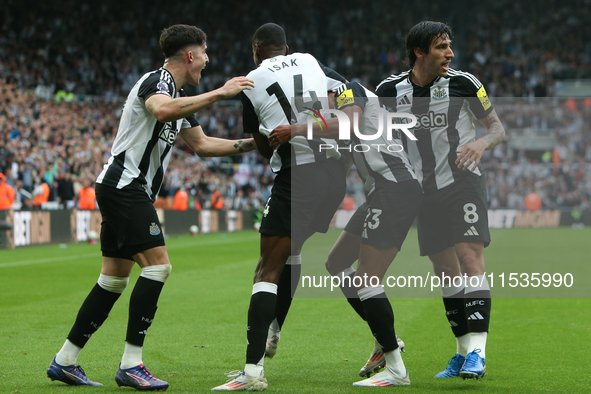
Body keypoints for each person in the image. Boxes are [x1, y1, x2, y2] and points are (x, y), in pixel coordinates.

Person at [47, 24, 255, 391]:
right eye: (205, 54)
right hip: (125, 186)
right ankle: (131, 364)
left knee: (112, 279)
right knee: (159, 267)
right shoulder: (156, 82)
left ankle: (65, 360)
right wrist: (221, 92)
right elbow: (161, 111)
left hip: (122, 188)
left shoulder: (180, 98)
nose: (207, 62)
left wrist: (259, 142)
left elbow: (204, 146)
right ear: (190, 55)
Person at [211, 23, 346, 391]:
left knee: (266, 269)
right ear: (285, 48)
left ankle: (253, 372)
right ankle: (273, 332)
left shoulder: (250, 80)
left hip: (296, 175)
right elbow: (340, 113)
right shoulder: (312, 62)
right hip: (334, 175)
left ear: (257, 49)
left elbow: (265, 145)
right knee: (292, 252)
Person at [374, 21, 506, 380]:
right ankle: (463, 354)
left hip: (462, 182)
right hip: (422, 192)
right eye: (441, 47)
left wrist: (480, 143)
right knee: (446, 272)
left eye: (449, 46)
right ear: (419, 52)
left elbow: (497, 128)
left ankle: (478, 352)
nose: (450, 53)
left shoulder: (465, 83)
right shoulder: (388, 90)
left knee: (469, 258)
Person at [269, 80, 422, 387]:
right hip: (382, 191)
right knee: (336, 261)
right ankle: (384, 340)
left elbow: (346, 124)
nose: (316, 108)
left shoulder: (348, 91)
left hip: (395, 187)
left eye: (316, 101)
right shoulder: (348, 109)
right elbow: (344, 153)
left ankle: (396, 368)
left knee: (367, 278)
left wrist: (296, 130)